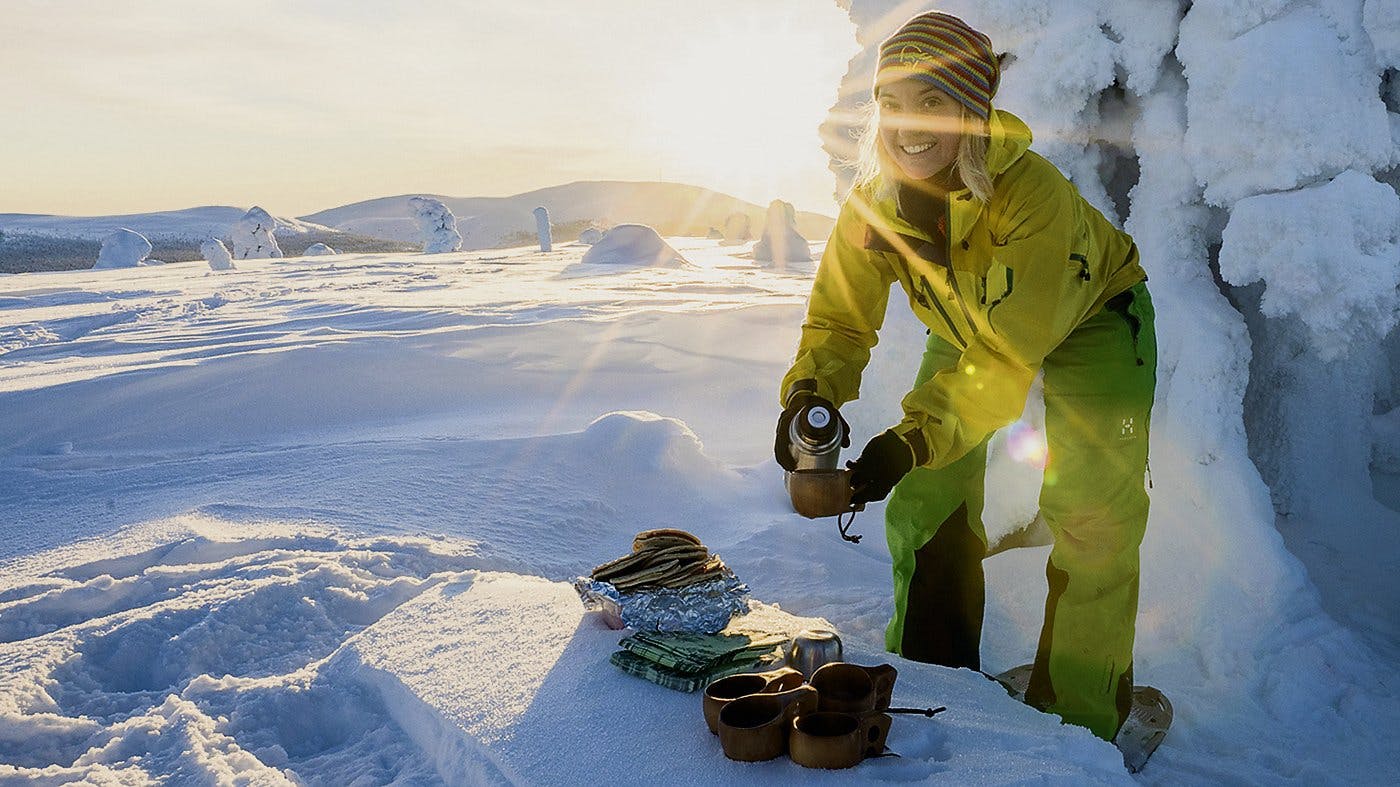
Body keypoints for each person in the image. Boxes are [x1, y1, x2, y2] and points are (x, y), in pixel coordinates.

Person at [773, 11, 1155, 741]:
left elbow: (1005, 363)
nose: (908, 125)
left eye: (933, 103)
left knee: (1092, 514)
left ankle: (1081, 723)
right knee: (926, 498)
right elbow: (840, 323)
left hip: (1094, 319)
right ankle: (933, 675)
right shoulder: (874, 206)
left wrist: (908, 440)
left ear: (973, 114)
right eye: (894, 102)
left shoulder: (1031, 199)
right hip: (972, 326)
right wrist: (809, 397)